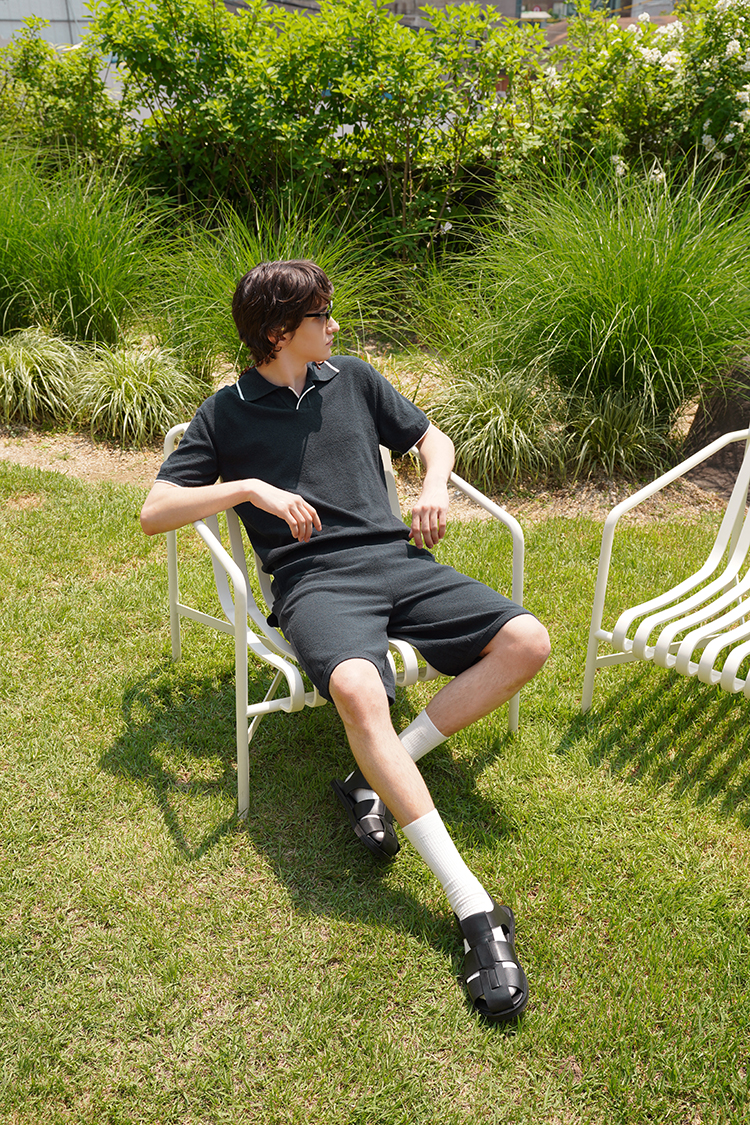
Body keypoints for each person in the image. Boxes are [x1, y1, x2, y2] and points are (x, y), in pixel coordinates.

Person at [140, 260, 550, 1023]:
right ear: (278, 332)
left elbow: (434, 439)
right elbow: (154, 511)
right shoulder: (226, 412)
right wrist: (248, 488)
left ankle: (376, 775)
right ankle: (474, 906)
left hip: (399, 561)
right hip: (315, 583)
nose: (335, 326)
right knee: (359, 688)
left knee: (527, 639)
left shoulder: (354, 378)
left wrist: (432, 485)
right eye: (322, 317)